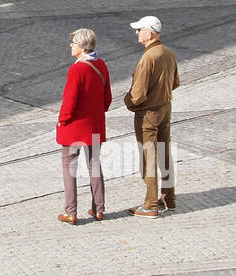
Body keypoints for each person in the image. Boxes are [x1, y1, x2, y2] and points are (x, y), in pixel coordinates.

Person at [124, 15, 180, 217]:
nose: (137, 33)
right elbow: (175, 82)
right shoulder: (168, 52)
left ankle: (150, 204)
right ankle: (169, 198)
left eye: (139, 30)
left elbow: (137, 95)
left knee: (148, 157)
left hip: (148, 114)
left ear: (149, 33)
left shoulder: (148, 58)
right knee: (165, 152)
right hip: (165, 108)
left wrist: (128, 102)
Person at [56, 27, 111, 225]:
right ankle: (99, 209)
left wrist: (62, 120)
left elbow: (69, 102)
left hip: (75, 128)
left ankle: (70, 211)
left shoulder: (76, 69)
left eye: (73, 44)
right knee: (94, 166)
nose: (70, 46)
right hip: (94, 126)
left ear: (80, 46)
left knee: (69, 168)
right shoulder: (102, 65)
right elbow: (107, 99)